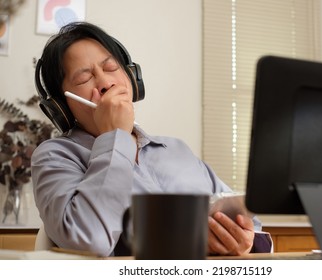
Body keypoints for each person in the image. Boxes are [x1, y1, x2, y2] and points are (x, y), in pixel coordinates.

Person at [31, 21, 272, 257]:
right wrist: (115, 136)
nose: (105, 83)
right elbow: (90, 241)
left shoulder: (176, 150)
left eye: (112, 67)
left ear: (132, 76)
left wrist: (244, 242)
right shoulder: (53, 156)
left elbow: (253, 226)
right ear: (61, 107)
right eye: (84, 79)